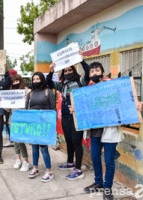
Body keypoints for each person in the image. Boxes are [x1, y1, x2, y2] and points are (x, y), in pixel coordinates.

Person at [69, 62, 120, 200]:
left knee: (109, 161)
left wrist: (137, 106)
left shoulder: (112, 87)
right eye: (92, 71)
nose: (94, 73)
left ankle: (107, 188)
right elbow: (84, 108)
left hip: (109, 131)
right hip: (94, 132)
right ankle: (99, 182)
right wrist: (76, 110)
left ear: (102, 73)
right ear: (89, 75)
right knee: (95, 158)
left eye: (97, 70)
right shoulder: (87, 90)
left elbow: (123, 102)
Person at [46, 57, 90, 180]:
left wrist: (81, 60)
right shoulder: (62, 84)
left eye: (70, 70)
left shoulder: (81, 81)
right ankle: (70, 162)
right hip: (65, 115)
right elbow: (49, 83)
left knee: (77, 141)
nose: (68, 73)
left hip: (77, 116)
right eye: (65, 71)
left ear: (74, 71)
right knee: (69, 140)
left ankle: (78, 169)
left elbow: (88, 72)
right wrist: (51, 71)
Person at [26, 72, 56, 182]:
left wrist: (50, 123)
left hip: (44, 125)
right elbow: (27, 110)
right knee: (34, 147)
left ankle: (49, 171)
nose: (36, 81)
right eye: (34, 79)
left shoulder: (48, 92)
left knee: (44, 148)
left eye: (38, 79)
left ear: (42, 80)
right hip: (34, 125)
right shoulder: (30, 94)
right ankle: (35, 168)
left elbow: (53, 109)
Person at [5, 74, 32, 171]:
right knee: (14, 139)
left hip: (22, 117)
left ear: (21, 81)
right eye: (13, 82)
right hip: (12, 116)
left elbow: (31, 105)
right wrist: (3, 102)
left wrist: (26, 100)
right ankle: (18, 159)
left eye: (17, 81)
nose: (15, 83)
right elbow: (8, 108)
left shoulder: (27, 91)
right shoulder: (10, 92)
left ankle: (26, 161)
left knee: (19, 140)